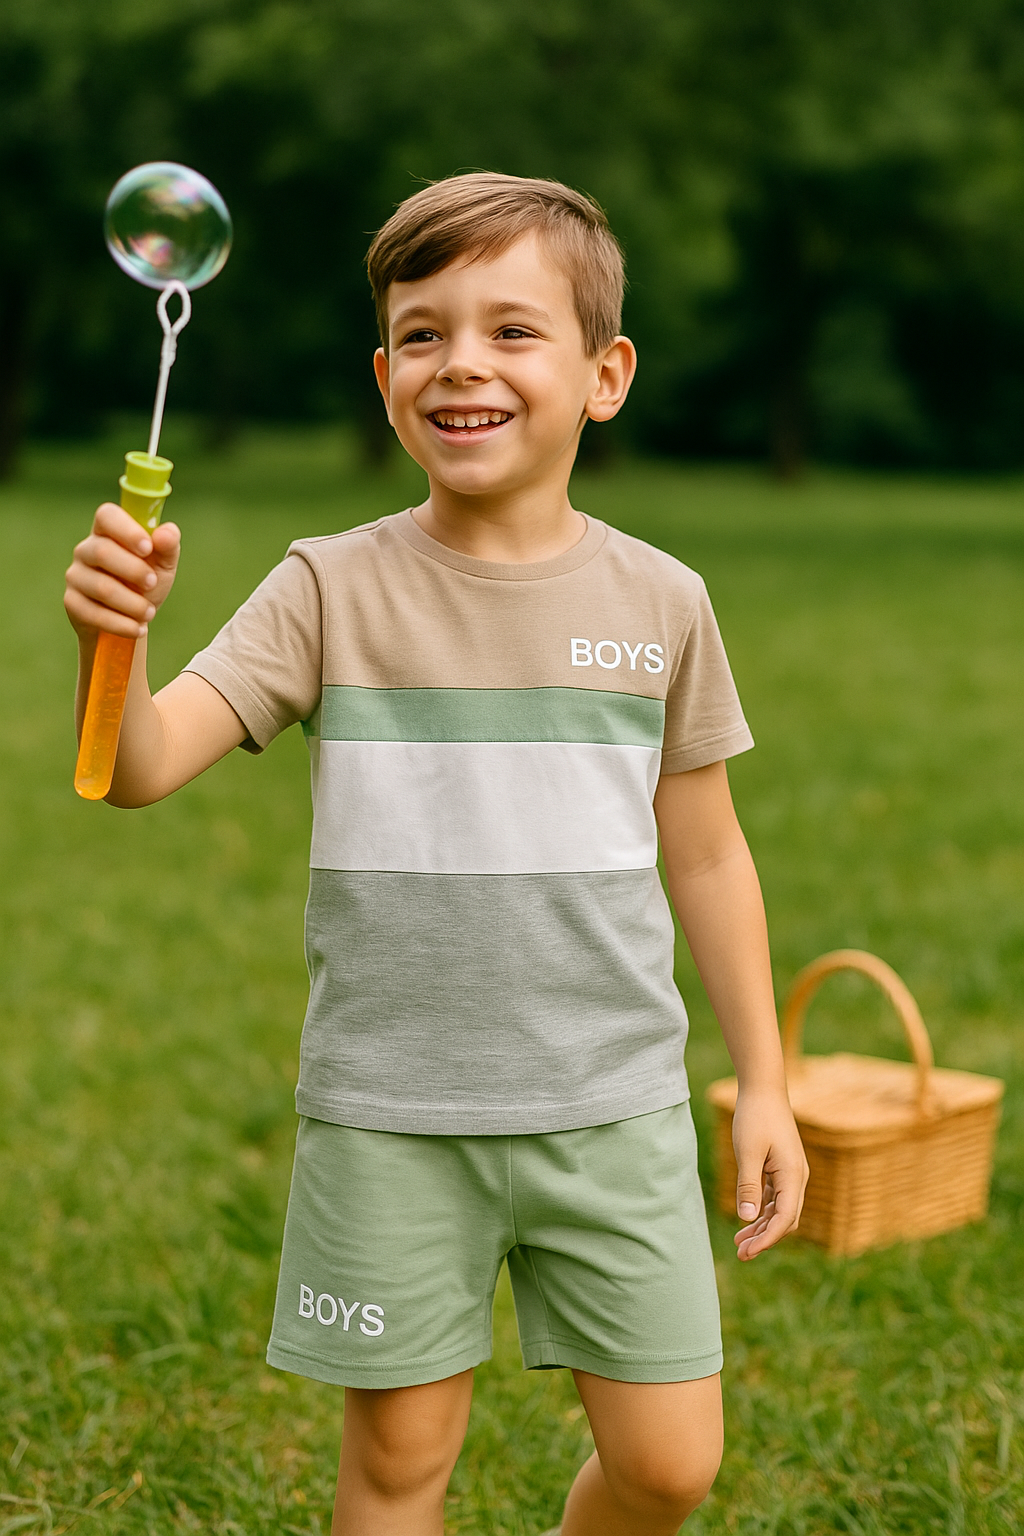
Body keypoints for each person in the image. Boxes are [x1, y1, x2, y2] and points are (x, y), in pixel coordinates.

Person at [64, 172, 808, 1536]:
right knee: (400, 1470)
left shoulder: (661, 602)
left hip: (616, 1111)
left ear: (606, 373)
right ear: (384, 375)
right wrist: (116, 636)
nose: (461, 360)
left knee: (669, 1464)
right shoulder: (327, 587)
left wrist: (763, 1081)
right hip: (392, 1120)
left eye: (512, 330)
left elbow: (705, 853)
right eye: (422, 333)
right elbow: (136, 767)